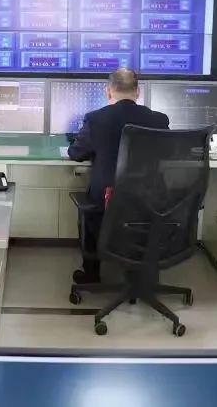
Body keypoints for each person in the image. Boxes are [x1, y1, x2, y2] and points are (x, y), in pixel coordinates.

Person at [67, 68, 169, 282]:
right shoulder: (160, 120)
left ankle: (92, 274)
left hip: (107, 202)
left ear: (108, 92)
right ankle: (141, 271)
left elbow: (76, 154)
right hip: (149, 202)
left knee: (90, 206)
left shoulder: (95, 119)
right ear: (138, 92)